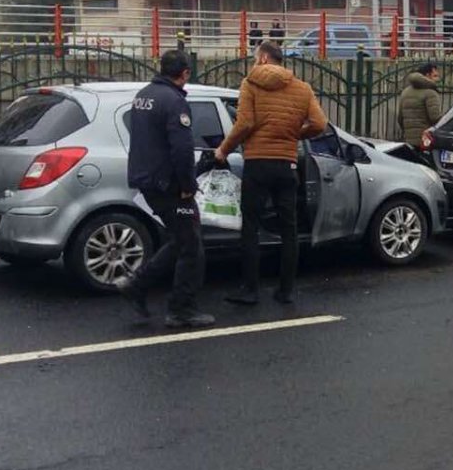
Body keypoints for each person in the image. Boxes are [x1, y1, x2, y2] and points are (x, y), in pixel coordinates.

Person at [215, 41, 328, 305]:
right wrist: (294, 134)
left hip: (257, 163)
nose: (254, 63)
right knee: (289, 228)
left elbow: (245, 123)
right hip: (287, 164)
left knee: (251, 227)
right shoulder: (302, 88)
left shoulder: (250, 84)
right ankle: (286, 290)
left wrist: (223, 149)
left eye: (256, 58)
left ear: (264, 58)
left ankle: (250, 290)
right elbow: (320, 123)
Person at [117, 50, 214, 328]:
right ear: (185, 73)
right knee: (192, 246)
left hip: (148, 180)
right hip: (169, 184)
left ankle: (136, 285)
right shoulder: (174, 101)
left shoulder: (143, 95)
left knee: (180, 239)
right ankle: (181, 309)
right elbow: (182, 149)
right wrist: (187, 185)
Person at [397, 63, 443, 148]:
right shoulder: (431, 93)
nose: (438, 79)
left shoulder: (405, 92)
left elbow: (400, 118)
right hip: (425, 141)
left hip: (409, 141)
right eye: (435, 76)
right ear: (427, 75)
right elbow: (435, 118)